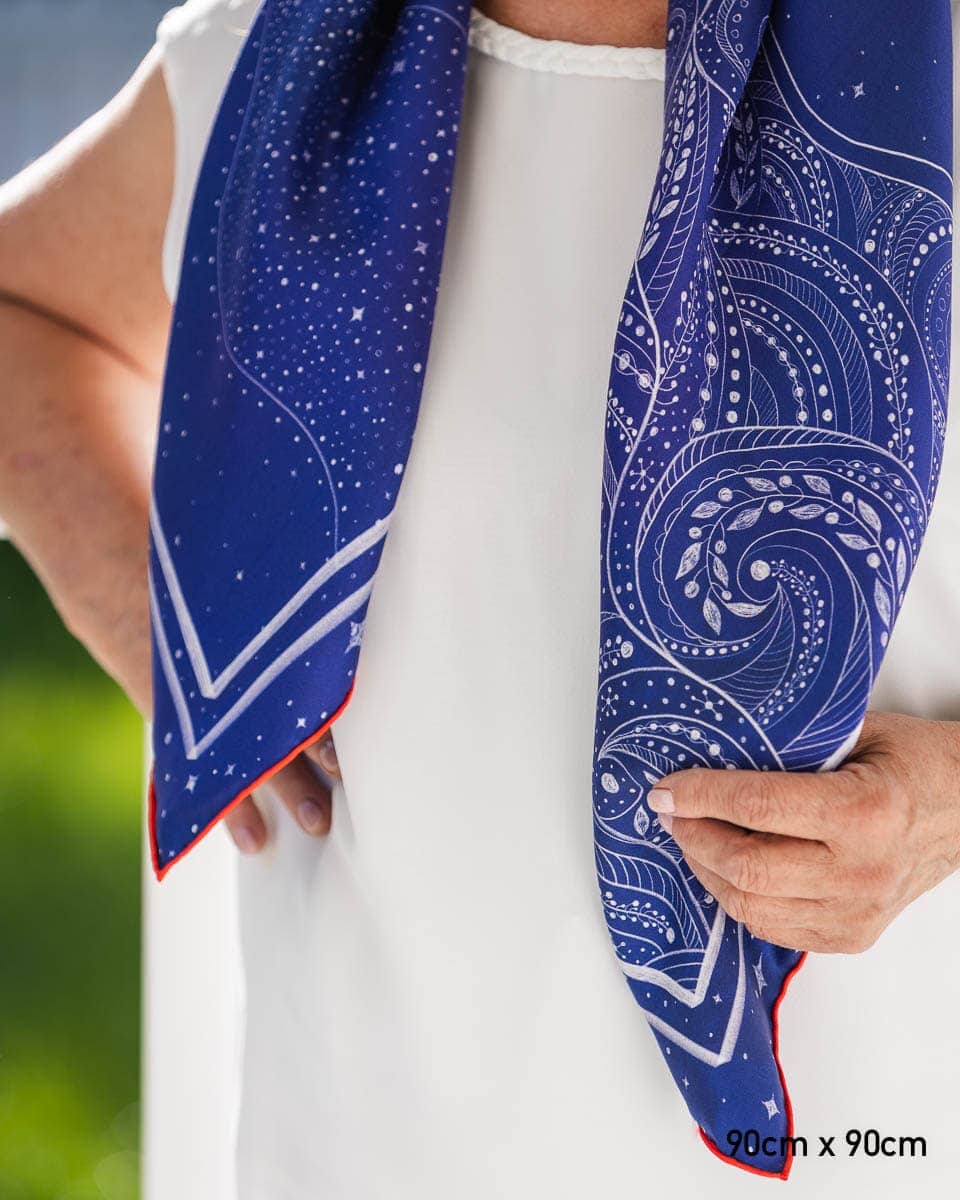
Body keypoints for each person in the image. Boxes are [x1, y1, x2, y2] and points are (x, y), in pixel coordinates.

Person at [2, 0, 960, 1195]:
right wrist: (194, 660)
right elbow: (23, 316)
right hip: (370, 1137)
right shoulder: (276, 63)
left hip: (876, 1134)